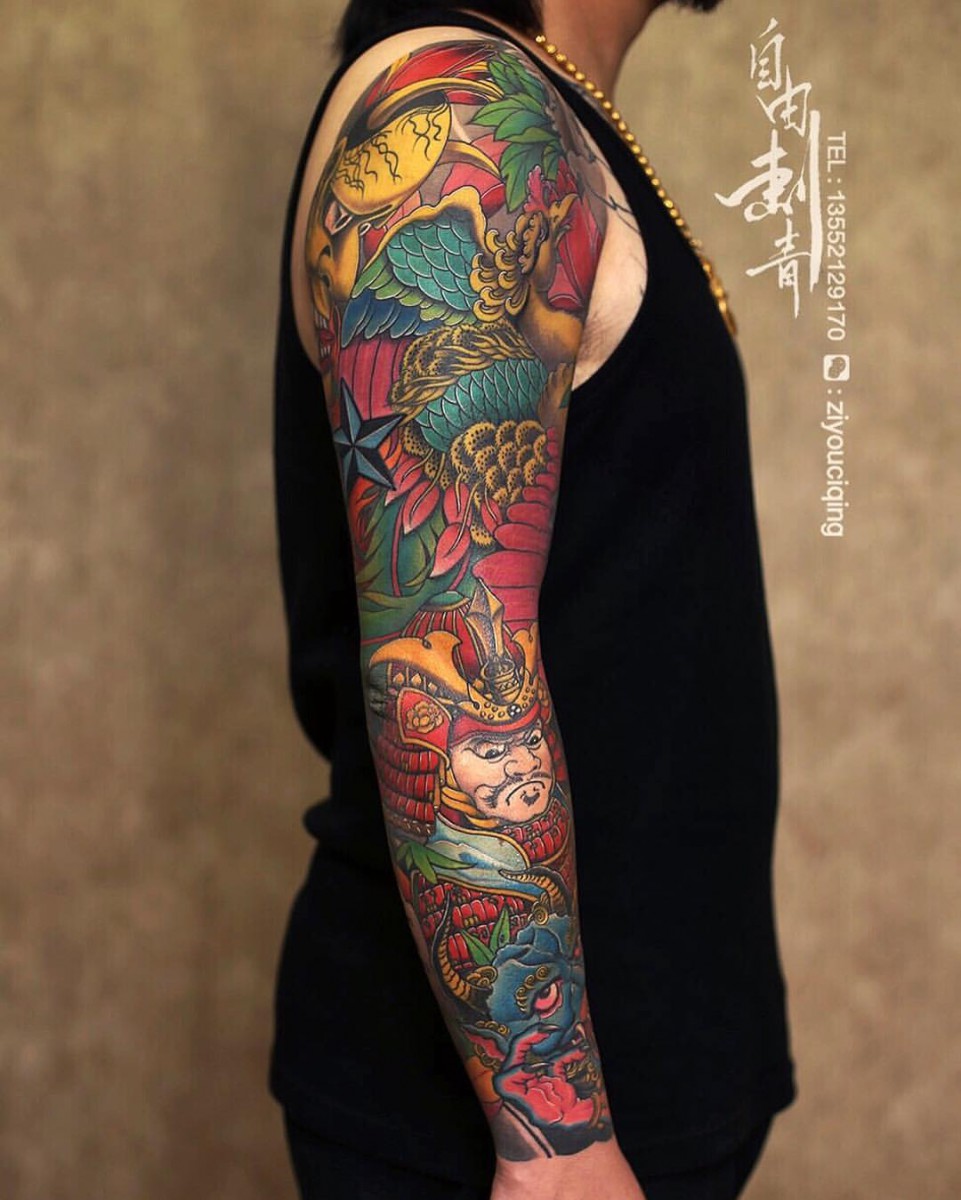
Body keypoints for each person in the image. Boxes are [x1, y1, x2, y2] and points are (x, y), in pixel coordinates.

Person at [270, 2, 796, 1197]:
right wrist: (553, 1147)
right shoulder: (463, 104)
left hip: (646, 1077)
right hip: (514, 1133)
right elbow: (446, 658)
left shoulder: (541, 109)